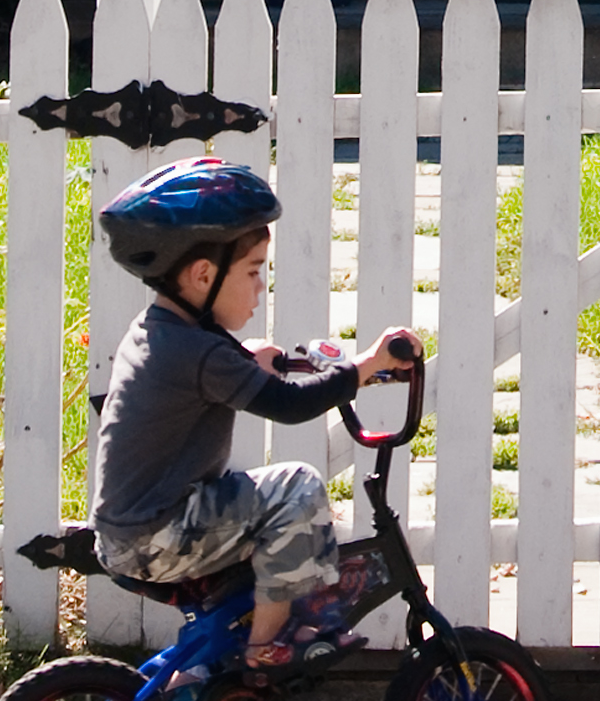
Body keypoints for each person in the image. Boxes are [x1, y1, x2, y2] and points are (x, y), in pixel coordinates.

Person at [86, 155, 414, 671]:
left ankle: (202, 679)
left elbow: (211, 372)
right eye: (253, 271)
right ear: (201, 275)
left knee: (260, 517)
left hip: (132, 530)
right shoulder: (200, 355)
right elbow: (288, 406)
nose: (261, 286)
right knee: (297, 486)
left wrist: (251, 361)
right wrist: (366, 366)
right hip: (158, 535)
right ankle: (268, 647)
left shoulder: (164, 332)